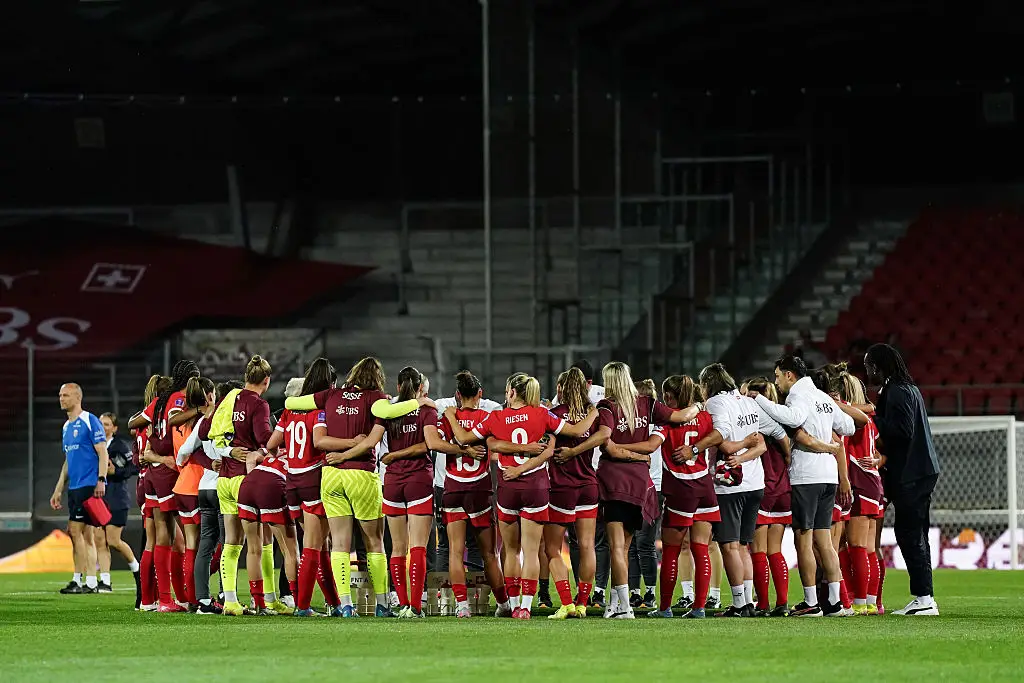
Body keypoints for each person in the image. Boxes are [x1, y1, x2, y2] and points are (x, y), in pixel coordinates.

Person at [442, 372, 598, 619]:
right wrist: (594, 414)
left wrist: (451, 416)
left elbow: (464, 439)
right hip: (536, 487)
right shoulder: (542, 414)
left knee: (511, 550)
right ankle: (525, 606)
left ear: (512, 392)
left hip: (508, 487)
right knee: (532, 550)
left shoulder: (496, 417)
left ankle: (513, 604)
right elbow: (577, 431)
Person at [285, 356, 425, 617]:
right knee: (374, 542)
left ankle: (346, 605)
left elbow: (290, 403)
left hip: (331, 476)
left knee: (339, 544)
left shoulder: (330, 395)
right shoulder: (375, 398)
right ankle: (382, 604)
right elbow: (389, 414)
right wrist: (419, 401)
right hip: (360, 475)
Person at [749, 354, 855, 617]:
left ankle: (811, 602)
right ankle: (835, 603)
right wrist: (827, 436)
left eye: (777, 376)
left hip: (807, 475)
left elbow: (794, 418)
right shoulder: (822, 397)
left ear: (789, 375)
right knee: (825, 541)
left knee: (803, 540)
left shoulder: (798, 396)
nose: (777, 382)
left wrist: (760, 400)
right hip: (828, 475)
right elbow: (849, 426)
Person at [596, 362, 701, 619]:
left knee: (616, 547)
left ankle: (625, 607)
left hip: (614, 481)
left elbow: (608, 446)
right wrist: (700, 405)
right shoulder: (647, 404)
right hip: (639, 483)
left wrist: (626, 453)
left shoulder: (607, 407)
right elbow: (681, 417)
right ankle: (615, 605)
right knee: (624, 547)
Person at [865, 343, 940, 616]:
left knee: (909, 534)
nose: (867, 371)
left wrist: (873, 420)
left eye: (869, 366)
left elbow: (903, 430)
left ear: (878, 366)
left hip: (911, 473)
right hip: (921, 470)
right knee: (916, 534)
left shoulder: (896, 390)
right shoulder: (909, 388)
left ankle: (924, 599)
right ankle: (925, 596)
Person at [688, 364, 767, 618]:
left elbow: (724, 441)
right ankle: (748, 602)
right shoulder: (748, 402)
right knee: (743, 546)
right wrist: (746, 449)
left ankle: (739, 604)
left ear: (708, 384)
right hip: (755, 482)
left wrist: (696, 448)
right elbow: (760, 443)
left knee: (730, 546)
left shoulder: (715, 403)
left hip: (730, 485)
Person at [200, 355, 274, 616]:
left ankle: (230, 601)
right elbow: (265, 438)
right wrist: (279, 440)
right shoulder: (259, 404)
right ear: (266, 381)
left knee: (231, 543)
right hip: (246, 480)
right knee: (257, 544)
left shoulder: (228, 399)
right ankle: (261, 602)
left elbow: (205, 431)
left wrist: (228, 451)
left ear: (246, 377)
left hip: (224, 481)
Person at [436, 370, 510, 618]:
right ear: (480, 393)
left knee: (455, 551)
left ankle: (462, 606)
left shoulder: (448, 418)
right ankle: (503, 604)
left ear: (458, 395)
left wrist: (458, 448)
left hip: (453, 488)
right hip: (479, 490)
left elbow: (434, 443)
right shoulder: (488, 417)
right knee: (489, 553)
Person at [130, 359, 201, 613]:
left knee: (160, 538)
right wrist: (200, 410)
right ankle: (180, 598)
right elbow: (174, 420)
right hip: (168, 473)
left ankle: (154, 600)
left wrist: (149, 433)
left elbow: (132, 424)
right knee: (182, 536)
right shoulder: (179, 399)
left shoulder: (158, 401)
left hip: (151, 473)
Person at [273, 361, 343, 617]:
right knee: (313, 546)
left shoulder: (289, 410)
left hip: (292, 483)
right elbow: (320, 441)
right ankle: (302, 606)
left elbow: (271, 443)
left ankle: (335, 605)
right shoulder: (320, 410)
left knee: (321, 545)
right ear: (330, 384)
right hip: (312, 480)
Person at [650, 375, 722, 619]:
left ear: (670, 396)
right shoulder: (704, 417)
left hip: (681, 488)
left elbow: (651, 445)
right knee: (701, 549)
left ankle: (664, 608)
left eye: (665, 396)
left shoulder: (667, 420)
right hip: (705, 487)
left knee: (671, 551)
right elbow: (720, 436)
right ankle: (699, 607)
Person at [546, 368, 607, 619]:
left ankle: (566, 603)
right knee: (587, 546)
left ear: (561, 388)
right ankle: (582, 603)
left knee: (552, 549)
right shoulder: (594, 416)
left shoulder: (555, 414)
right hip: (588, 485)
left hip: (562, 487)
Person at [177, 379, 232, 615]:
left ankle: (203, 600)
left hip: (204, 488)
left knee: (206, 545)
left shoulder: (203, 422)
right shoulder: (227, 419)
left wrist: (198, 464)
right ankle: (226, 595)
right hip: (223, 487)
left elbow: (183, 452)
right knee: (229, 544)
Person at [50, 383, 110, 595]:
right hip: (74, 487)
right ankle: (87, 581)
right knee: (82, 534)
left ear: (77, 397)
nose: (61, 398)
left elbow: (103, 452)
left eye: (65, 395)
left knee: (78, 532)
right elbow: (68, 460)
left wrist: (101, 479)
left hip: (88, 485)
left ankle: (83, 580)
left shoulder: (89, 420)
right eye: (60, 395)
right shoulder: (66, 427)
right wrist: (58, 489)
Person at [96, 412, 141, 600]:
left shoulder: (120, 446)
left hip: (117, 498)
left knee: (114, 540)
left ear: (114, 428)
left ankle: (137, 569)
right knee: (100, 540)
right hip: (99, 499)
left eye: (107, 424)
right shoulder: (95, 445)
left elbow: (134, 467)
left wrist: (116, 471)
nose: (103, 427)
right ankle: (105, 581)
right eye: (101, 424)